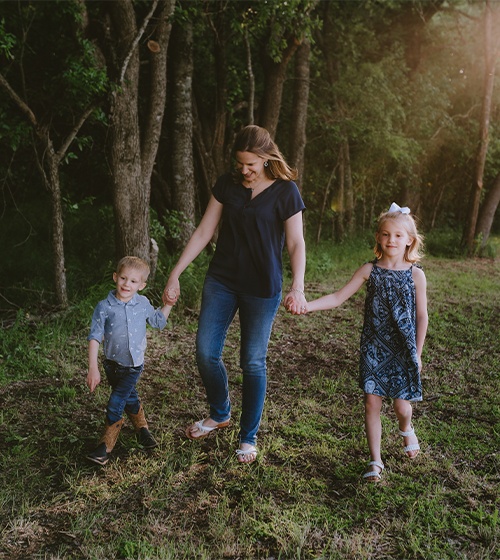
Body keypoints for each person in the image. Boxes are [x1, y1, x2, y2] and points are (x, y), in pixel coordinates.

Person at [162, 125, 306, 464]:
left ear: (267, 157)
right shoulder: (227, 185)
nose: (244, 170)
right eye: (240, 163)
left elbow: (296, 243)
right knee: (205, 352)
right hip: (222, 280)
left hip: (262, 287)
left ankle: (248, 436)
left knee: (252, 362)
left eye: (251, 165)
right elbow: (204, 231)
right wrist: (176, 272)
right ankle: (219, 411)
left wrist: (298, 285)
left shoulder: (286, 191)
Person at [301, 202, 428, 482]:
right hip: (374, 346)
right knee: (372, 402)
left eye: (397, 235)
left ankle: (406, 429)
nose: (390, 240)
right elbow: (337, 297)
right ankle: (375, 461)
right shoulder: (369, 271)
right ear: (378, 238)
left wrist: (417, 353)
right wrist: (308, 306)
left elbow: (422, 317)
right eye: (385, 234)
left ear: (409, 240)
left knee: (401, 407)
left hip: (403, 348)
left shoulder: (416, 275)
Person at [86, 256, 173, 466]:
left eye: (133, 281)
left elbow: (157, 322)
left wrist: (168, 304)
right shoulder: (104, 307)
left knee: (116, 402)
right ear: (115, 277)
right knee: (129, 398)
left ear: (141, 285)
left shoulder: (142, 304)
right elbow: (95, 336)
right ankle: (143, 430)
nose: (127, 284)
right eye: (123, 278)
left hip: (134, 366)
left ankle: (103, 448)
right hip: (111, 365)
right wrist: (93, 368)